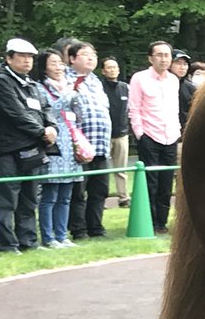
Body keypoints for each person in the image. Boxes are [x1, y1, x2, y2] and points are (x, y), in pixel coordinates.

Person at [0, 38, 57, 254]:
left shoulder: (33, 85)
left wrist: (52, 126)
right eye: (22, 56)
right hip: (7, 149)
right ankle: (8, 244)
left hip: (33, 148)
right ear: (9, 58)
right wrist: (41, 131)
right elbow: (15, 113)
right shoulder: (1, 82)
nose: (27, 61)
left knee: (29, 197)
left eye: (30, 57)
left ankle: (28, 241)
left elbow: (46, 109)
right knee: (7, 198)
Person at [128, 40, 180, 234]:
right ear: (150, 58)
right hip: (149, 135)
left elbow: (174, 109)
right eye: (159, 55)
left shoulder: (173, 80)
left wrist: (177, 131)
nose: (163, 59)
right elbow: (134, 108)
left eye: (167, 55)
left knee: (166, 182)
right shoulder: (140, 78)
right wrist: (140, 133)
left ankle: (161, 222)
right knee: (150, 180)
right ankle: (147, 221)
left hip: (170, 135)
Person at [32, 48, 82, 248]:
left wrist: (74, 96)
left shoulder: (70, 86)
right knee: (50, 193)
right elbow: (49, 111)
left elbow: (78, 113)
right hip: (53, 144)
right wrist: (67, 95)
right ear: (44, 67)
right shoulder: (40, 88)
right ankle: (48, 237)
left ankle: (62, 235)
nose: (58, 67)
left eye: (60, 63)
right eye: (53, 63)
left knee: (66, 194)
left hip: (70, 142)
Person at [65, 41, 113, 238]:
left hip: (100, 145)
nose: (91, 57)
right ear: (72, 59)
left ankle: (96, 227)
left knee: (99, 189)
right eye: (85, 54)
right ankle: (78, 229)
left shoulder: (96, 81)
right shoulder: (66, 81)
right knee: (78, 190)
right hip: (79, 147)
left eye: (93, 54)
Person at [100, 56, 131, 207]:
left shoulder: (125, 87)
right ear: (103, 71)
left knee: (121, 169)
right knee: (102, 170)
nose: (112, 70)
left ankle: (123, 198)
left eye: (115, 67)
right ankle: (102, 199)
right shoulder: (99, 87)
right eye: (109, 67)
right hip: (104, 135)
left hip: (122, 134)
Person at [170, 50, 196, 134]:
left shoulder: (190, 87)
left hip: (185, 132)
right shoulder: (160, 85)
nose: (182, 67)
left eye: (185, 64)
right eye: (178, 63)